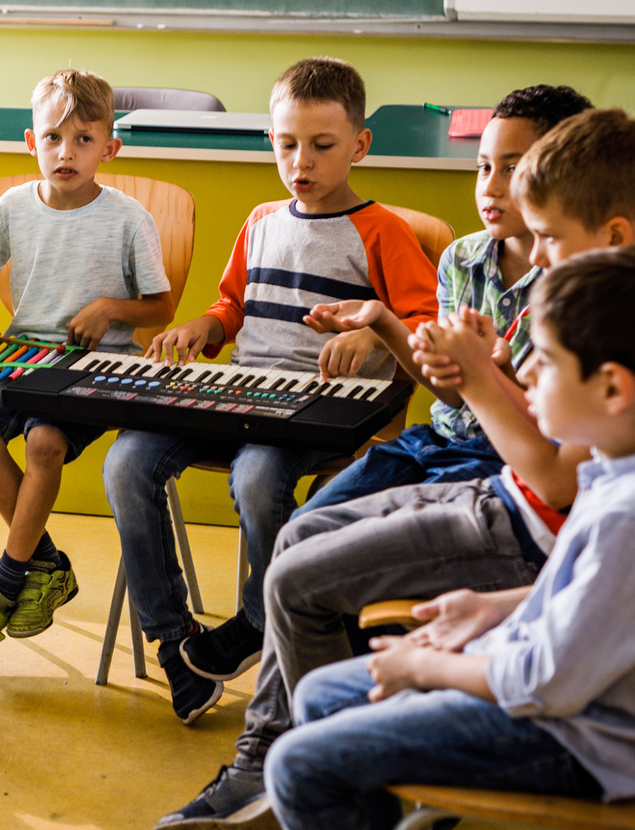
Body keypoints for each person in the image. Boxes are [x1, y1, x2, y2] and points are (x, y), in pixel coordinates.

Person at [151, 104, 635, 830]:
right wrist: (472, 369)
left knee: (300, 579)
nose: (540, 256)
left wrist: (482, 377)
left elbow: (553, 476)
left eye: (551, 237)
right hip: (490, 486)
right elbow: (517, 417)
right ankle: (322, 756)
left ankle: (295, 764)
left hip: (515, 510)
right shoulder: (576, 294)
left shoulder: (619, 324)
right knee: (300, 536)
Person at [267, 246, 635, 830]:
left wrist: (424, 669)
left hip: (587, 738)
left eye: (543, 361)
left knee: (298, 764)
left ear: (614, 388)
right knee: (321, 698)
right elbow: (601, 593)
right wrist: (495, 606)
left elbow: (542, 679)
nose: (524, 375)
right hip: (595, 699)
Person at [103, 58, 439, 722]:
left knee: (258, 482)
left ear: (359, 146)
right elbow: (233, 306)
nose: (301, 162)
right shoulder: (260, 220)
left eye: (321, 146)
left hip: (317, 412)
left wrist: (374, 336)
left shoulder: (383, 232)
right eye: (287, 145)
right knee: (127, 460)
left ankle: (265, 619)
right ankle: (176, 643)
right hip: (241, 393)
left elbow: (424, 324)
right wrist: (204, 324)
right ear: (271, 143)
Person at [0, 69, 174, 662]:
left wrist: (109, 309)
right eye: (52, 138)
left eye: (83, 140)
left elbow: (161, 307)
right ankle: (47, 565)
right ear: (30, 141)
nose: (65, 153)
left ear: (109, 148)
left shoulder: (128, 219)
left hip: (100, 367)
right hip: (24, 356)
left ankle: (5, 584)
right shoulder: (12, 206)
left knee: (44, 441)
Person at [296, 85, 593, 509]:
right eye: (483, 167)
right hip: (436, 442)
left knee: (382, 544)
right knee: (309, 521)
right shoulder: (461, 258)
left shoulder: (581, 282)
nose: (490, 187)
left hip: (509, 463)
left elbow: (548, 434)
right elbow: (453, 394)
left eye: (512, 170)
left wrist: (495, 370)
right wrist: (382, 319)